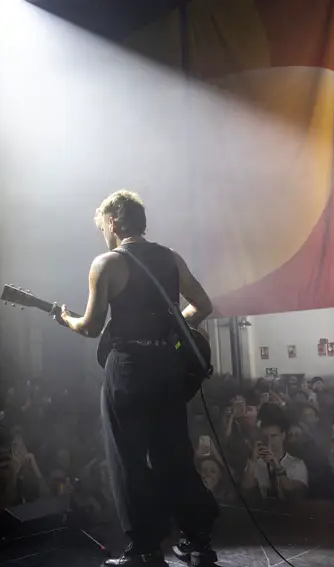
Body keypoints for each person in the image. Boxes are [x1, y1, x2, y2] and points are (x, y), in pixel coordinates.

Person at [55, 190, 219, 567]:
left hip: (128, 367)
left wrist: (66, 318)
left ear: (113, 222)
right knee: (174, 453)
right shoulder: (171, 258)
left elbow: (91, 326)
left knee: (127, 457)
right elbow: (203, 305)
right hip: (167, 365)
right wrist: (174, 330)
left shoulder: (107, 263)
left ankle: (145, 549)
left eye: (102, 226)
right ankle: (198, 542)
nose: (103, 233)